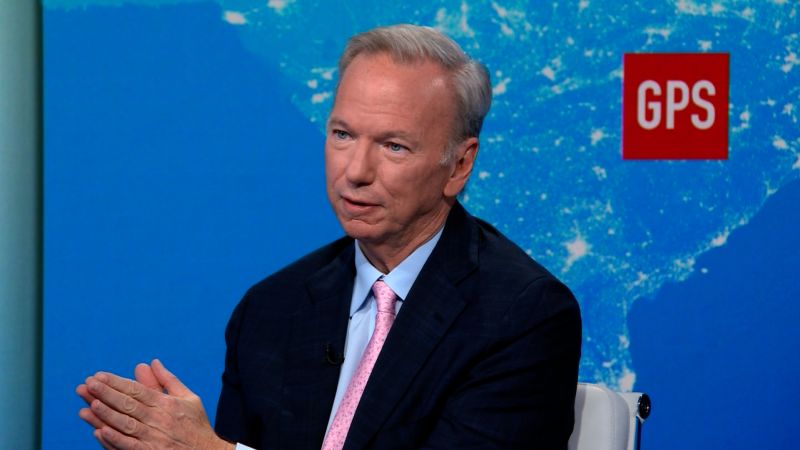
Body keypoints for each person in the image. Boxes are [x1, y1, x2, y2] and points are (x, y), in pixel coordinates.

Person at [77, 24, 581, 450]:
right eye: (343, 135)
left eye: (393, 146)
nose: (355, 171)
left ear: (460, 165)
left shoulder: (523, 316)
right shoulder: (270, 310)